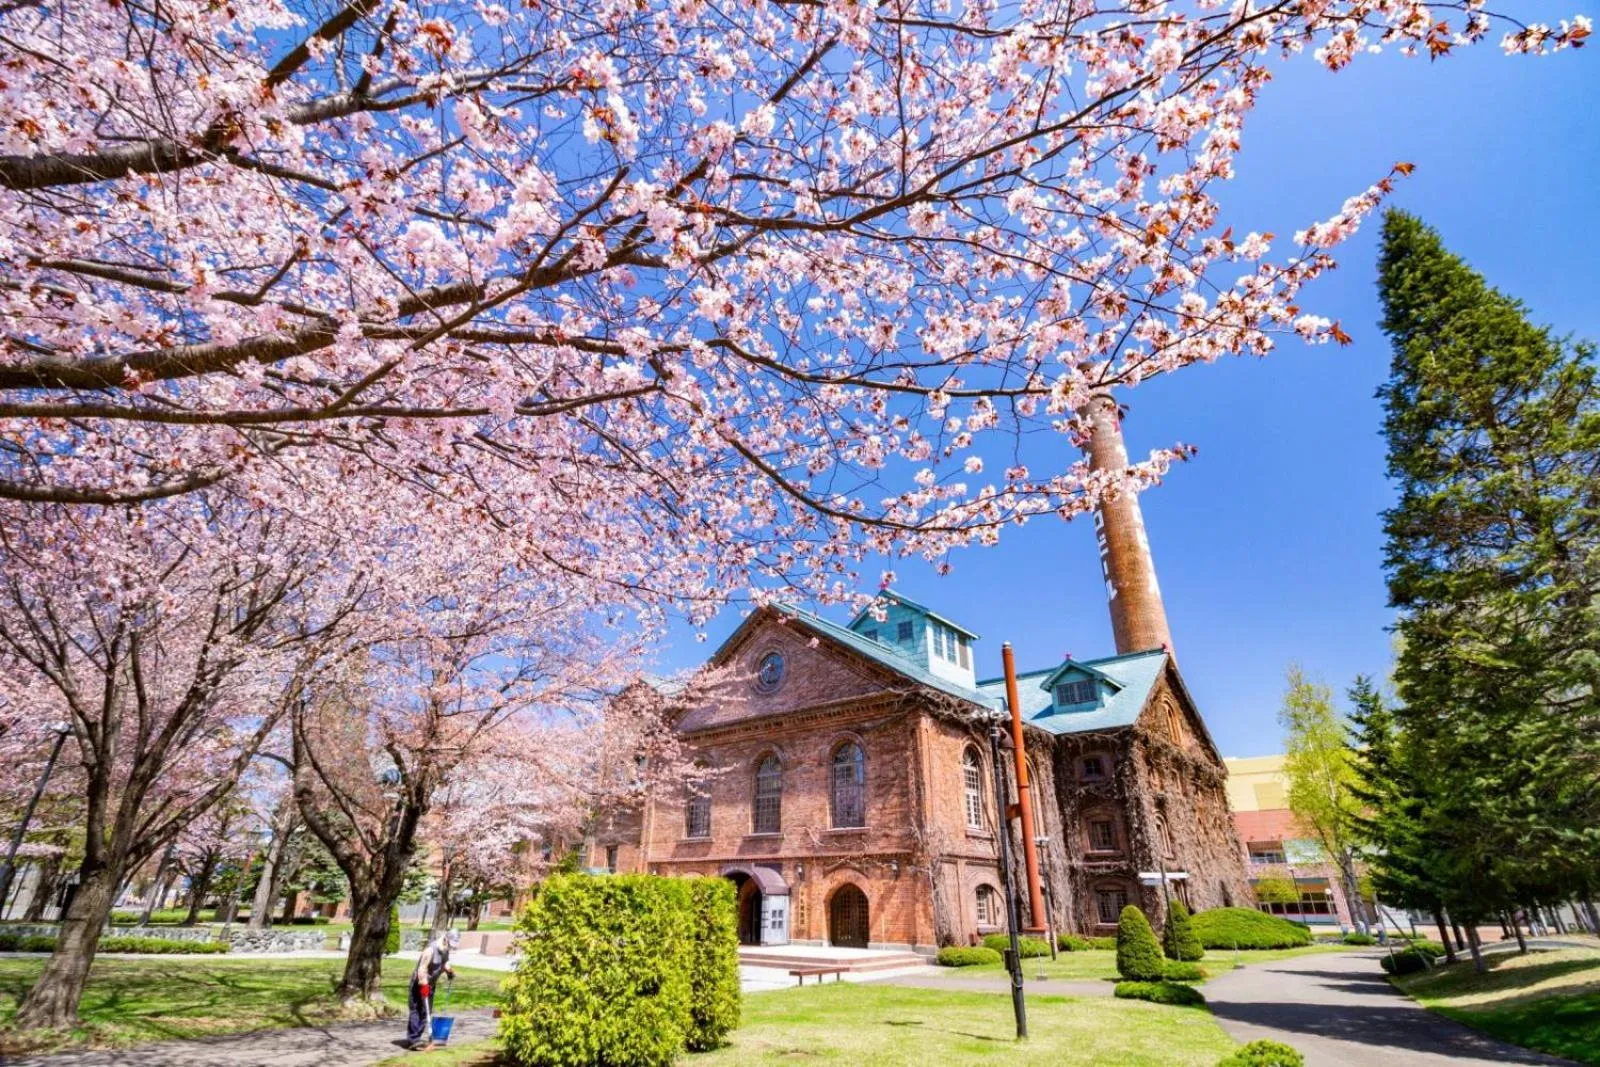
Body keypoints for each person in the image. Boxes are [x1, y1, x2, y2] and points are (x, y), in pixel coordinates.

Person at [405, 929, 458, 1050]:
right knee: (416, 1010)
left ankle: (418, 1038)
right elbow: (422, 969)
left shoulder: (445, 949)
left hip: (431, 984)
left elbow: (445, 962)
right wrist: (423, 985)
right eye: (451, 944)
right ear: (446, 939)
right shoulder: (430, 949)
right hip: (419, 983)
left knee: (426, 1011)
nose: (451, 947)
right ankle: (413, 1039)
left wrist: (449, 971)